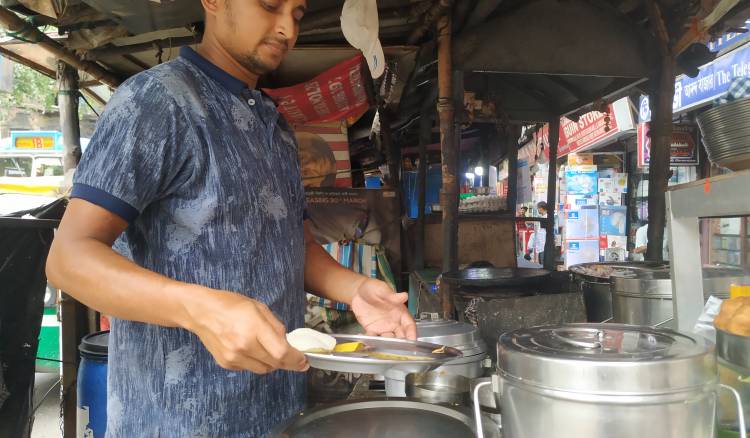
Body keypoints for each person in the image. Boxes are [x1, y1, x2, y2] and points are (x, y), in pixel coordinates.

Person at [45, 1, 416, 436]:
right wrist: (203, 309)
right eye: (270, 5)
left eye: (296, 13)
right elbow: (68, 259)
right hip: (173, 421)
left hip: (277, 413)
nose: (286, 29)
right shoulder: (156, 103)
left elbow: (295, 246)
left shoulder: (273, 126)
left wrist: (355, 289)